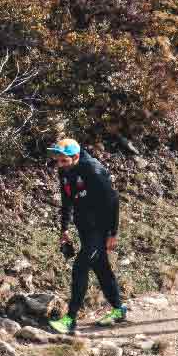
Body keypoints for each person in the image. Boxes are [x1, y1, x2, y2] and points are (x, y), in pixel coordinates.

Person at [46, 137, 128, 334]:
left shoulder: (93, 170)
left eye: (64, 160)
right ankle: (119, 310)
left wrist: (112, 233)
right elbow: (67, 200)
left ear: (75, 156)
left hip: (99, 229)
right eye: (58, 160)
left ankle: (70, 319)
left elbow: (113, 200)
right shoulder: (64, 170)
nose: (60, 164)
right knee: (101, 268)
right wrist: (64, 229)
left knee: (80, 268)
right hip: (84, 227)